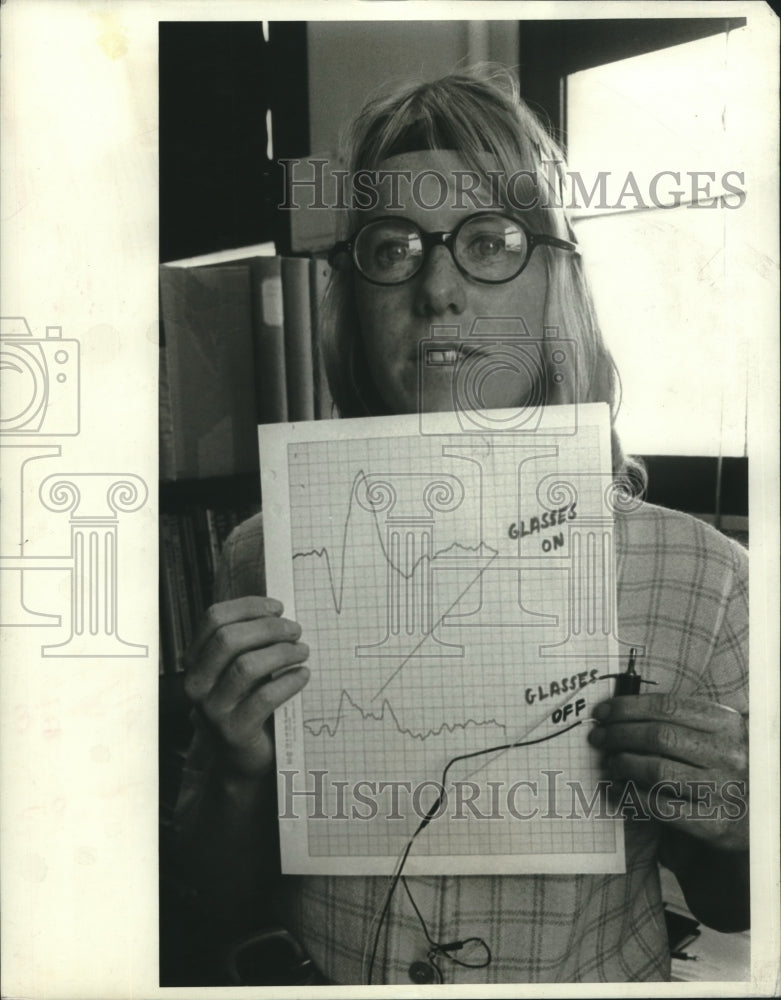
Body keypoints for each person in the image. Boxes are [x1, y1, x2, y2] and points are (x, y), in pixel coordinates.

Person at [175, 68, 749, 984]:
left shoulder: (702, 573)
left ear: (554, 282)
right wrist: (237, 771)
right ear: (350, 302)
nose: (437, 288)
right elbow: (208, 906)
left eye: (489, 240)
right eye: (392, 248)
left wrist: (737, 821)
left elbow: (730, 907)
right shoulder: (259, 553)